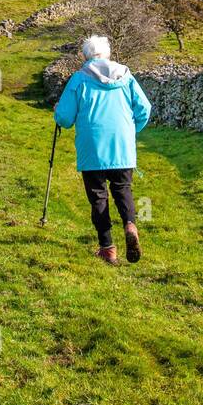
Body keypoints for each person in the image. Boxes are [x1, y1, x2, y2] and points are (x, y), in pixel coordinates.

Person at [53, 34, 151, 265]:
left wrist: (58, 111)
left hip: (92, 145)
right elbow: (144, 108)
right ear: (107, 54)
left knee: (98, 195)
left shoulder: (78, 79)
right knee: (122, 188)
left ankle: (108, 249)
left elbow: (65, 118)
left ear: (85, 56)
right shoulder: (126, 77)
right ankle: (130, 224)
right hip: (122, 144)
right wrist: (130, 130)